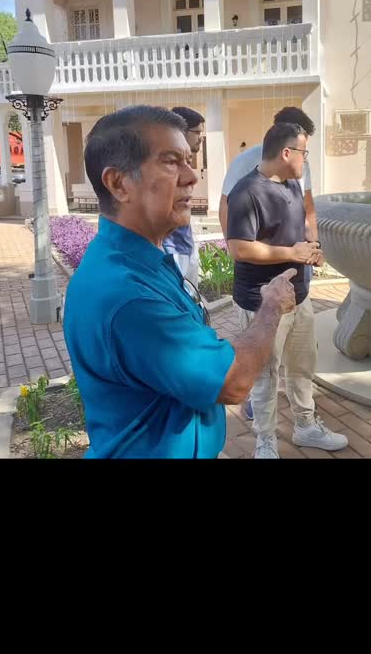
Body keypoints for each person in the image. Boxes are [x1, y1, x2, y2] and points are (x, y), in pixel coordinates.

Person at [62, 106, 297, 459]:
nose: (192, 177)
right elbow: (232, 382)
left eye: (190, 160)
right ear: (118, 183)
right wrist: (271, 307)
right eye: (171, 161)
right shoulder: (127, 295)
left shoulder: (136, 259)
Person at [227, 121, 349, 459]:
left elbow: (296, 230)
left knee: (302, 365)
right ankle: (265, 440)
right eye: (304, 153)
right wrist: (290, 254)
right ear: (286, 153)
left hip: (300, 297)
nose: (305, 160)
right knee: (266, 374)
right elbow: (238, 248)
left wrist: (312, 247)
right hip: (262, 303)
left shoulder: (292, 185)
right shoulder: (246, 191)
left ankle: (305, 425)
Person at [219, 106, 317, 241]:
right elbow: (225, 204)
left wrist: (314, 244)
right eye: (301, 147)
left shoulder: (301, 164)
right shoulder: (244, 162)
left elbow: (308, 206)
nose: (303, 156)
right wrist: (232, 246)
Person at [162, 106, 205, 286]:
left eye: (187, 162)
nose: (192, 178)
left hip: (184, 245)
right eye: (197, 132)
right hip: (171, 251)